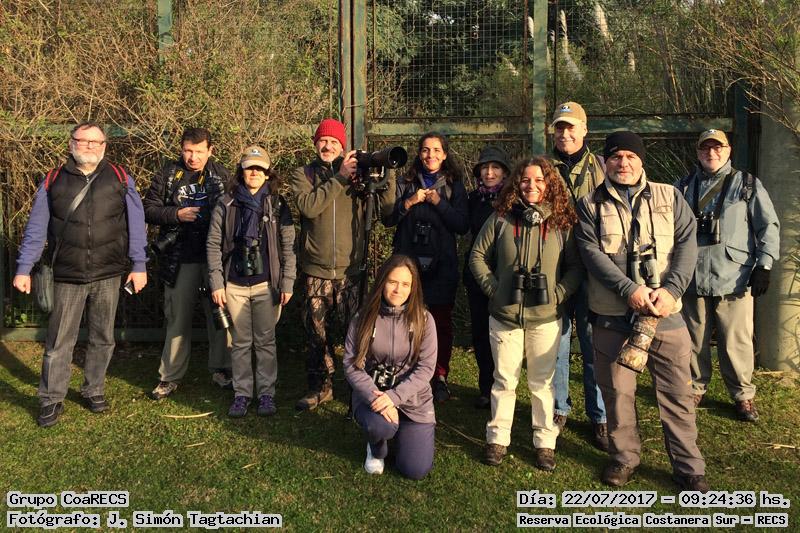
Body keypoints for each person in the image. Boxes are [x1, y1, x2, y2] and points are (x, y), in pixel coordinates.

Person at [574, 130, 709, 492]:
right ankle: (623, 458)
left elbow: (687, 246)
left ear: (641, 160)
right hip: (612, 316)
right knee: (617, 394)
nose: (623, 163)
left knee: (677, 394)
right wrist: (629, 290)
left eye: (630, 156)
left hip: (666, 314)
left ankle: (688, 466)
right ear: (605, 162)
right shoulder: (589, 205)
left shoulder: (670, 196)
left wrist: (672, 290)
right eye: (616, 156)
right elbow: (591, 254)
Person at [13, 122, 148, 427]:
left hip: (108, 273)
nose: (89, 146)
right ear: (71, 143)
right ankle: (51, 398)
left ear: (104, 146)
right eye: (82, 140)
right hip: (67, 274)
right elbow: (36, 228)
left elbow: (137, 226)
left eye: (95, 142)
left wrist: (139, 265)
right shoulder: (53, 180)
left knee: (103, 337)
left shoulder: (120, 177)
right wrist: (24, 268)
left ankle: (94, 390)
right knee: (59, 341)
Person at [470, 156, 584, 471]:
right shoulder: (501, 218)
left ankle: (545, 442)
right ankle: (497, 438)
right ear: (516, 184)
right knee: (504, 379)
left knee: (542, 383)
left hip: (546, 317)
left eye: (538, 180)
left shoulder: (561, 222)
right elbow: (477, 256)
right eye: (525, 180)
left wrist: (558, 294)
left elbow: (575, 268)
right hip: (505, 315)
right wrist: (494, 290)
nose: (531, 185)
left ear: (549, 185)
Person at [290, 118, 395, 411]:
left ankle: (357, 388)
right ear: (315, 144)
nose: (328, 146)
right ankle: (320, 387)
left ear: (343, 146)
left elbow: (386, 213)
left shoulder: (358, 177)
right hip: (316, 269)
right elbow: (308, 207)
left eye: (334, 142)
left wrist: (386, 175)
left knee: (356, 332)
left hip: (351, 270)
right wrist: (339, 178)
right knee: (316, 333)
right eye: (323, 141)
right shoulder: (303, 174)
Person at [676, 129, 780, 422]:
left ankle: (743, 395)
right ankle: (695, 388)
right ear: (698, 152)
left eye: (717, 147)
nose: (711, 153)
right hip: (692, 275)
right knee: (693, 339)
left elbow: (768, 226)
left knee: (736, 341)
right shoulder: (683, 186)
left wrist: (764, 266)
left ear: (728, 150)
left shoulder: (747, 184)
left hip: (735, 276)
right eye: (705, 148)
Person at [207, 145, 296, 417]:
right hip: (234, 283)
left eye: (259, 168)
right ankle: (242, 393)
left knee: (266, 341)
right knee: (240, 342)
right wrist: (217, 282)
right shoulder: (226, 203)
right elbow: (213, 244)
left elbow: (288, 246)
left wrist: (288, 282)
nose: (254, 173)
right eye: (249, 168)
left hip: (266, 283)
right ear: (241, 171)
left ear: (268, 173)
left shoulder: (277, 204)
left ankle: (266, 393)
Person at [144, 127, 231, 400]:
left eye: (199, 151)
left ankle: (222, 370)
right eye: (187, 151)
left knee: (220, 317)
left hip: (214, 258)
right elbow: (148, 209)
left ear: (210, 150)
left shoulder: (223, 176)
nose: (193, 157)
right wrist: (176, 214)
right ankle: (169, 376)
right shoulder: (168, 174)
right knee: (177, 319)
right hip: (179, 258)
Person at [386, 132, 468, 403]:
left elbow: (462, 224)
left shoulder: (455, 185)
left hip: (443, 265)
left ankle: (439, 376)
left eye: (435, 150)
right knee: (406, 321)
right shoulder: (404, 182)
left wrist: (438, 203)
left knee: (440, 323)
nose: (430, 155)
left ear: (444, 154)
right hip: (408, 266)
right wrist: (409, 202)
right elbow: (388, 219)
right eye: (425, 150)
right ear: (419, 153)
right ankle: (405, 373)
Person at [343, 254, 437, 479]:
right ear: (382, 282)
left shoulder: (425, 320)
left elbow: (426, 367)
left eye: (405, 284)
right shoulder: (363, 317)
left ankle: (402, 432)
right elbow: (351, 364)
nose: (398, 290)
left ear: (413, 287)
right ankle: (376, 448)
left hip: (413, 400)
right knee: (382, 427)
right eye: (392, 282)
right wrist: (377, 398)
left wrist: (394, 398)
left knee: (415, 470)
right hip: (374, 396)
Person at [549, 101, 608, 450]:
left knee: (592, 342)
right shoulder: (542, 168)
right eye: (560, 127)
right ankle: (559, 408)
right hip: (555, 268)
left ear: (585, 130)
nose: (565, 133)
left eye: (571, 127)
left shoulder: (602, 167)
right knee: (557, 342)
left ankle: (599, 415)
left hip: (593, 270)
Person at [463, 146, 510, 409]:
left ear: (504, 172)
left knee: (505, 335)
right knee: (481, 333)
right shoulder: (473, 199)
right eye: (485, 168)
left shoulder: (514, 199)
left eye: (495, 168)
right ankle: (486, 387)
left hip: (505, 276)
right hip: (477, 276)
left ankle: (504, 387)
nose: (489, 173)